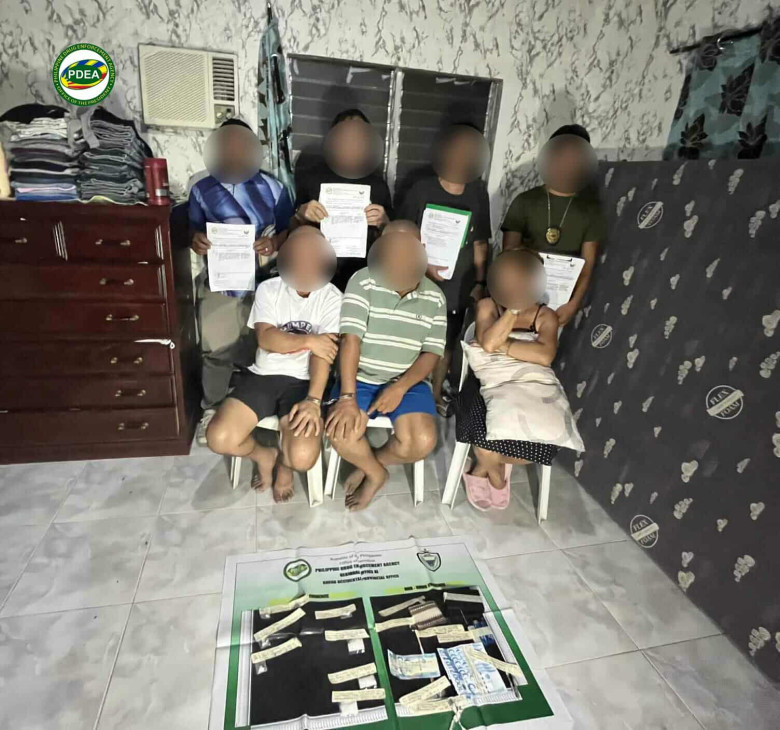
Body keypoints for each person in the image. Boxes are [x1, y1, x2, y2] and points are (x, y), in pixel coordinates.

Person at [205, 227, 342, 502]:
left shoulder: (333, 297)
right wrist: (311, 340)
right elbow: (267, 339)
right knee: (219, 438)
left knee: (302, 457)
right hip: (263, 376)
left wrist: (313, 400)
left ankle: (285, 466)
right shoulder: (269, 289)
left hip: (305, 382)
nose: (305, 264)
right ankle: (264, 455)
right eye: (299, 257)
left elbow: (323, 354)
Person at [189, 118, 295, 443]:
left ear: (252, 151)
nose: (235, 154)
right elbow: (191, 229)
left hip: (263, 281)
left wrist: (274, 243)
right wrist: (196, 240)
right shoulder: (201, 189)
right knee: (216, 348)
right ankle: (212, 409)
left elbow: (289, 229)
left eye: (241, 147)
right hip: (220, 282)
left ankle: (249, 410)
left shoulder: (274, 188)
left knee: (258, 347)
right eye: (228, 147)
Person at [325, 228, 445, 511]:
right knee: (341, 433)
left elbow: (432, 353)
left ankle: (370, 464)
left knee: (422, 442)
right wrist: (347, 397)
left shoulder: (436, 297)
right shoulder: (363, 280)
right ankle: (377, 474)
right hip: (359, 377)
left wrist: (400, 387)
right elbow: (350, 340)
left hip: (409, 381)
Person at [397, 124, 491, 416]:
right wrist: (421, 266)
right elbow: (402, 235)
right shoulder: (421, 189)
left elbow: (481, 242)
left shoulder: (478, 193)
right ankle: (405, 390)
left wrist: (480, 282)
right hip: (418, 279)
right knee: (412, 336)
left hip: (458, 284)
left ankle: (435, 393)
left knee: (446, 342)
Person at [456, 249, 560, 510]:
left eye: (524, 281)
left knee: (539, 447)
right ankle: (497, 478)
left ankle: (482, 470)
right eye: (511, 280)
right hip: (485, 383)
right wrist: (513, 310)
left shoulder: (546, 315)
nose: (517, 286)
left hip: (529, 386)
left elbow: (545, 356)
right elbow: (490, 344)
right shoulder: (487, 305)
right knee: (483, 443)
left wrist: (505, 345)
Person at [501, 124, 605, 326]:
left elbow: (588, 264)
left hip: (563, 303)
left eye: (575, 157)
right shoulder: (524, 201)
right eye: (561, 155)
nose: (567, 163)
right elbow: (508, 254)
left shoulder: (590, 211)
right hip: (522, 299)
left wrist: (573, 304)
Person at [292, 109, 392, 290]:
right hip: (317, 272)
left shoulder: (378, 184)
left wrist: (384, 222)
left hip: (363, 276)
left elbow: (392, 239)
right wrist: (300, 214)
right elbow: (289, 232)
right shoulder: (312, 178)